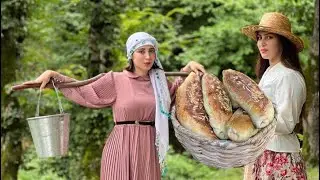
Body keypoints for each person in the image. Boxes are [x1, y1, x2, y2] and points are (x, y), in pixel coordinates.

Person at [23, 32, 205, 180]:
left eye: (152, 51)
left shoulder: (160, 82)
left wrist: (187, 69)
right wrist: (54, 76)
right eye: (141, 51)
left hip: (148, 148)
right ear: (131, 55)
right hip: (120, 147)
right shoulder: (115, 80)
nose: (148, 57)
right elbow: (84, 90)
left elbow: (175, 94)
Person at [241, 12, 307, 179]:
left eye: (269, 37)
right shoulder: (270, 72)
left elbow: (286, 124)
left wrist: (251, 118)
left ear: (282, 41)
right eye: (259, 37)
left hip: (280, 158)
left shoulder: (289, 76)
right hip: (264, 152)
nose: (262, 43)